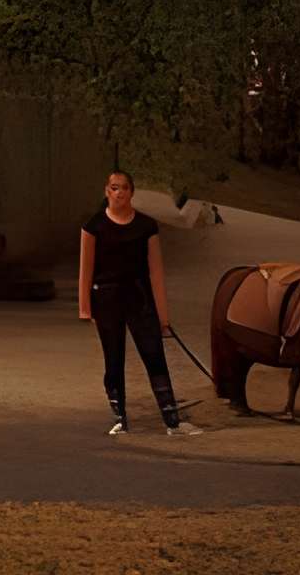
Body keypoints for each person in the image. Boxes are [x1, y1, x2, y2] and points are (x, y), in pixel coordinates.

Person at [79, 171, 202, 436]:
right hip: (107, 299)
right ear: (107, 191)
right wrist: (85, 307)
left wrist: (163, 316)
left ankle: (172, 420)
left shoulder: (146, 226)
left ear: (132, 192)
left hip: (139, 296)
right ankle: (120, 418)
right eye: (114, 188)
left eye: (124, 188)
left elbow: (156, 271)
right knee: (114, 358)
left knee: (154, 354)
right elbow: (86, 269)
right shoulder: (93, 226)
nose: (119, 193)